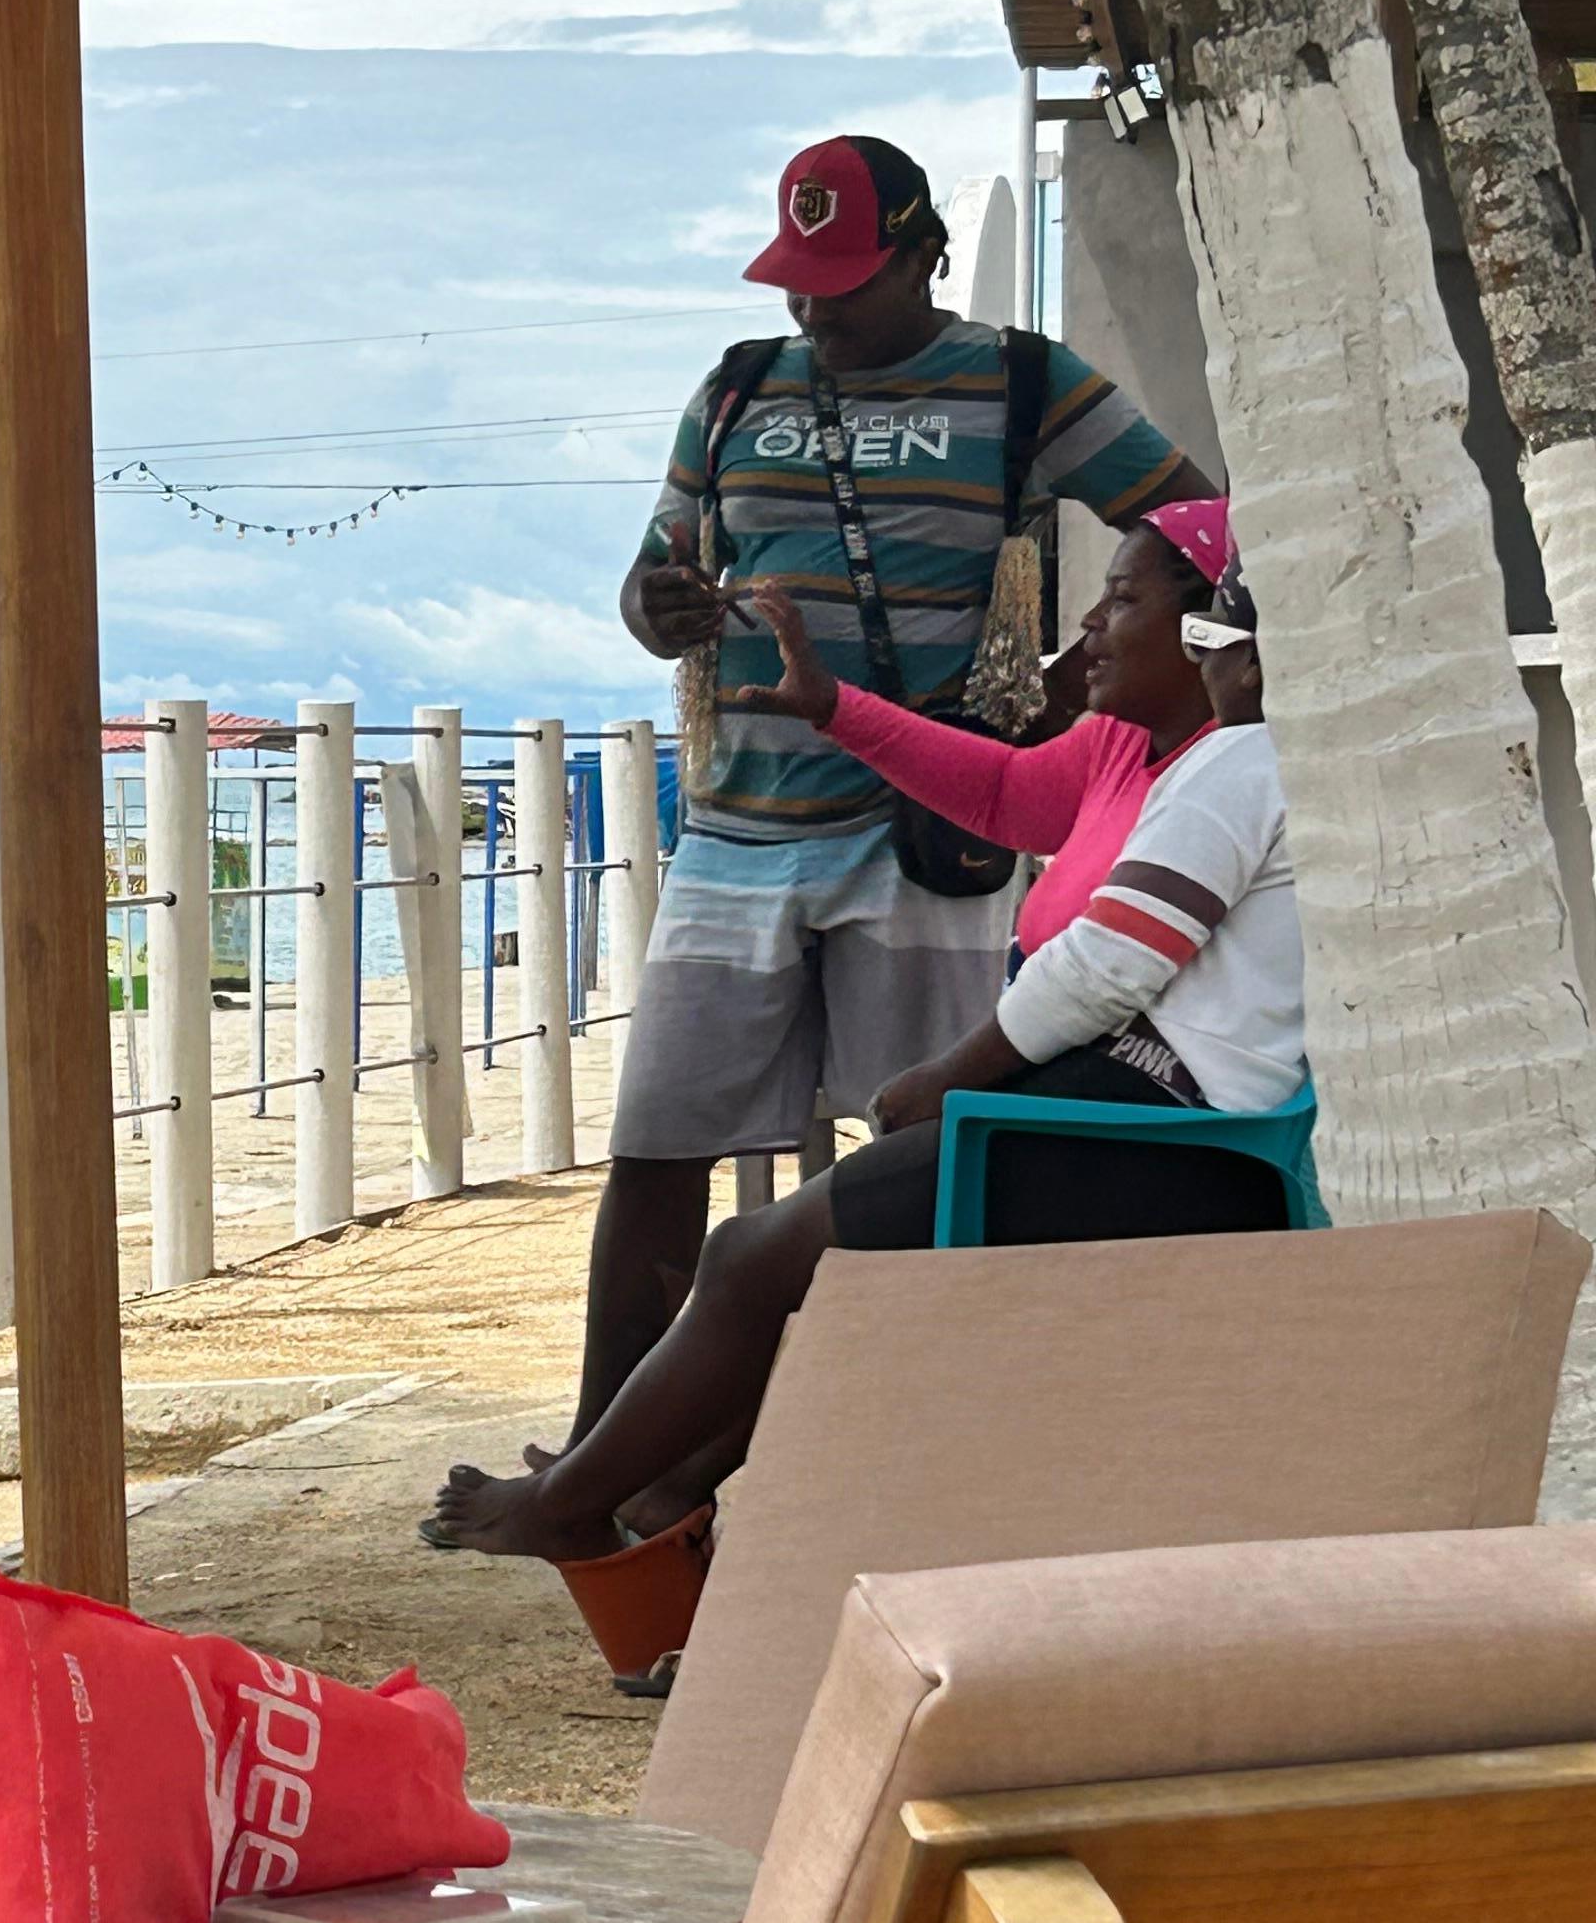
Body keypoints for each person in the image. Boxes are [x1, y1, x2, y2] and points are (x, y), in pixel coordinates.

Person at [427, 514, 1295, 1569]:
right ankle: (653, 1497)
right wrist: (835, 708)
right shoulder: (1153, 751)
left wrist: (946, 1076)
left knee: (756, 1261)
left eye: (1126, 600)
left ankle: (578, 1504)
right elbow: (1014, 802)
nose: (1093, 621)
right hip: (1129, 1103)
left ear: (1227, 640)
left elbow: (1112, 963)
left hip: (1150, 1127)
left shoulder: (1242, 763)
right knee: (796, 1270)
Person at [585, 134, 1214, 1447]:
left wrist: (1068, 674)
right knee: (654, 1147)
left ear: (924, 253)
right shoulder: (734, 392)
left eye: (844, 279)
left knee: (913, 1155)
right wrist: (656, 607)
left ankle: (864, 1442)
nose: (812, 306)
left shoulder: (1026, 385)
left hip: (922, 837)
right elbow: (657, 573)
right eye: (795, 280)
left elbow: (1193, 532)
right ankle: (608, 1450)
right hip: (735, 829)